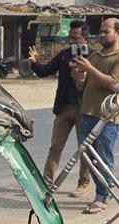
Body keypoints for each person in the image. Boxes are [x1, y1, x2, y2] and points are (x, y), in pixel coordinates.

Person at [72, 17, 119, 215]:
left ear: (118, 33)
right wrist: (80, 77)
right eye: (101, 31)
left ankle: (101, 197)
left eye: (107, 31)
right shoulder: (96, 56)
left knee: (103, 158)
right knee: (88, 158)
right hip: (87, 114)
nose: (103, 34)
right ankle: (104, 188)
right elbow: (84, 85)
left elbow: (114, 84)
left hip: (107, 118)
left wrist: (90, 69)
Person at [28, 21, 91, 195]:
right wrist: (34, 62)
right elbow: (44, 71)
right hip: (64, 108)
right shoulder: (64, 55)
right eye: (70, 38)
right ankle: (46, 183)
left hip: (84, 109)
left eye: (76, 38)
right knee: (55, 146)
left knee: (84, 148)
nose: (72, 41)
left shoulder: (93, 56)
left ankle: (83, 184)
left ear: (85, 38)